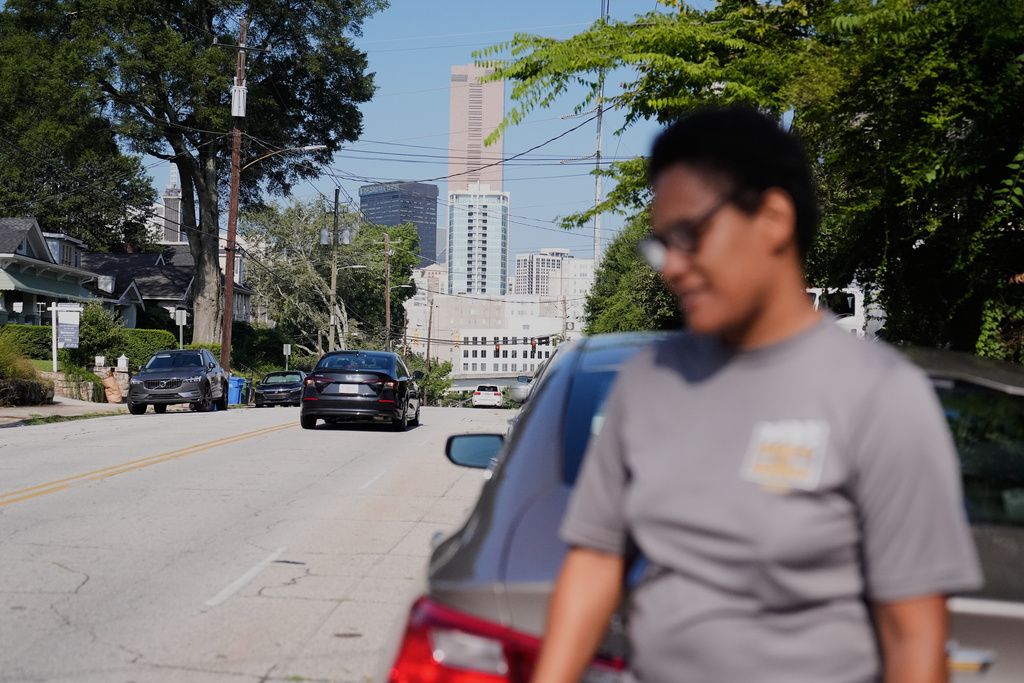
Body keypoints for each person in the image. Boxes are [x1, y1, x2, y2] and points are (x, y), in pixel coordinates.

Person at [531, 107, 981, 683]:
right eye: (661, 245)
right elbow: (595, 560)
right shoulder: (646, 382)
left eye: (689, 236)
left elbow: (914, 639)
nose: (671, 267)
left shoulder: (881, 397)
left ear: (773, 218)